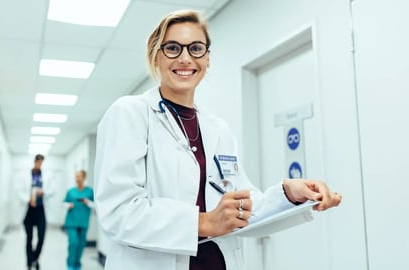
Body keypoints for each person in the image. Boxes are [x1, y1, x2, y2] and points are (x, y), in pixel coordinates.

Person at [94, 10, 342, 270]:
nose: (185, 58)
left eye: (196, 48)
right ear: (156, 55)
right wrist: (203, 222)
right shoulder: (130, 113)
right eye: (172, 48)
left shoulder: (217, 128)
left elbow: (239, 207)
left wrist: (288, 194)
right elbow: (119, 211)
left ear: (208, 58)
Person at [21, 154, 53, 270]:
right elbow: (19, 190)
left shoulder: (45, 175)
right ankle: (29, 262)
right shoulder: (26, 175)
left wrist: (44, 192)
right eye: (38, 162)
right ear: (34, 162)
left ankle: (35, 258)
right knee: (29, 237)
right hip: (29, 210)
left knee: (41, 237)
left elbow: (52, 190)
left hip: (41, 209)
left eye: (41, 162)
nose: (39, 164)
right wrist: (28, 199)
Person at [63, 170, 95, 270]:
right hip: (71, 222)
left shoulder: (90, 191)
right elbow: (64, 202)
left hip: (83, 222)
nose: (77, 178)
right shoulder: (70, 191)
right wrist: (69, 205)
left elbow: (96, 205)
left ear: (84, 178)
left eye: (79, 176)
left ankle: (77, 264)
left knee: (81, 244)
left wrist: (88, 202)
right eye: (76, 176)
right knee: (73, 242)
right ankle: (70, 264)